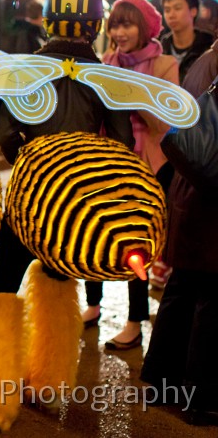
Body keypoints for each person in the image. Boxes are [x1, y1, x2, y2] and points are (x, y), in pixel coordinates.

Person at [0, 0, 134, 431]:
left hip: (28, 199)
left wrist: (32, 163)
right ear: (95, 24)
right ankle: (48, 383)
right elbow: (120, 143)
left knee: (4, 289)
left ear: (51, 18)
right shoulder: (109, 78)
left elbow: (5, 131)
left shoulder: (25, 68)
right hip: (73, 205)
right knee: (58, 287)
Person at [81, 0, 179, 350]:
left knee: (135, 244)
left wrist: (134, 94)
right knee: (97, 233)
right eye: (115, 25)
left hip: (148, 167)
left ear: (146, 27)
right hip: (109, 163)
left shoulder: (165, 65)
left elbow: (167, 125)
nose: (120, 33)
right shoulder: (107, 60)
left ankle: (135, 321)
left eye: (128, 24)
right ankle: (93, 304)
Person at [141, 39, 218, 427]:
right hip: (210, 200)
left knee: (183, 289)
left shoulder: (205, 61)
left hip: (190, 193)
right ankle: (200, 398)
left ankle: (160, 380)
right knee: (211, 300)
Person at [160, 0, 214, 83]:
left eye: (177, 8)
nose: (171, 15)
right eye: (167, 10)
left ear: (193, 11)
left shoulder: (208, 48)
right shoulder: (160, 47)